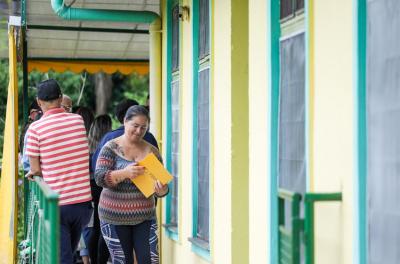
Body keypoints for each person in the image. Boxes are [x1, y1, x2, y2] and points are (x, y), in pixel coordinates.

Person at [25, 79, 93, 264]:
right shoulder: (78, 120)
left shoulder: (35, 129)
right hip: (82, 205)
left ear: (39, 102)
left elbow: (35, 169)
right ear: (61, 98)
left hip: (58, 205)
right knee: (67, 255)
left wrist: (33, 173)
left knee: (60, 259)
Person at [95, 105, 168, 264]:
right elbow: (99, 177)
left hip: (145, 216)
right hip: (113, 217)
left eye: (144, 127)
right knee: (122, 261)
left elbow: (162, 187)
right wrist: (124, 173)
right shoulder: (111, 148)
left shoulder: (152, 151)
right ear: (125, 122)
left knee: (149, 260)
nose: (138, 131)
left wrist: (162, 190)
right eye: (135, 126)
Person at [87, 115, 112, 264]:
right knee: (105, 227)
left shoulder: (86, 146)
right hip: (104, 188)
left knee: (93, 228)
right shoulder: (110, 144)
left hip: (89, 189)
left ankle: (93, 260)